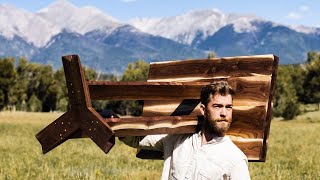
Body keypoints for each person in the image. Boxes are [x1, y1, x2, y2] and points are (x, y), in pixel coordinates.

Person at [119, 81, 251, 179]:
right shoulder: (177, 139)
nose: (224, 113)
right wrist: (116, 124)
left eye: (228, 107)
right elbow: (137, 139)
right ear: (203, 110)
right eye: (217, 106)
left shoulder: (235, 159)